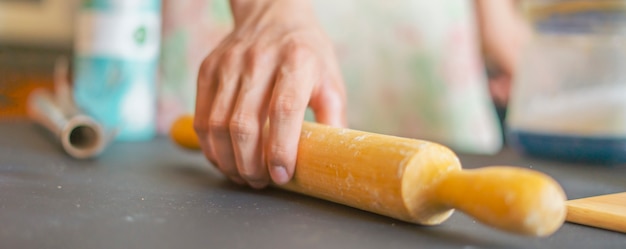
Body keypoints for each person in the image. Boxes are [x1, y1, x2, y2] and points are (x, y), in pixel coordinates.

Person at [193, 0, 529, 189]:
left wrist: (498, 23)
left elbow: (502, 33)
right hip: (256, 40)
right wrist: (269, 9)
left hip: (432, 52)